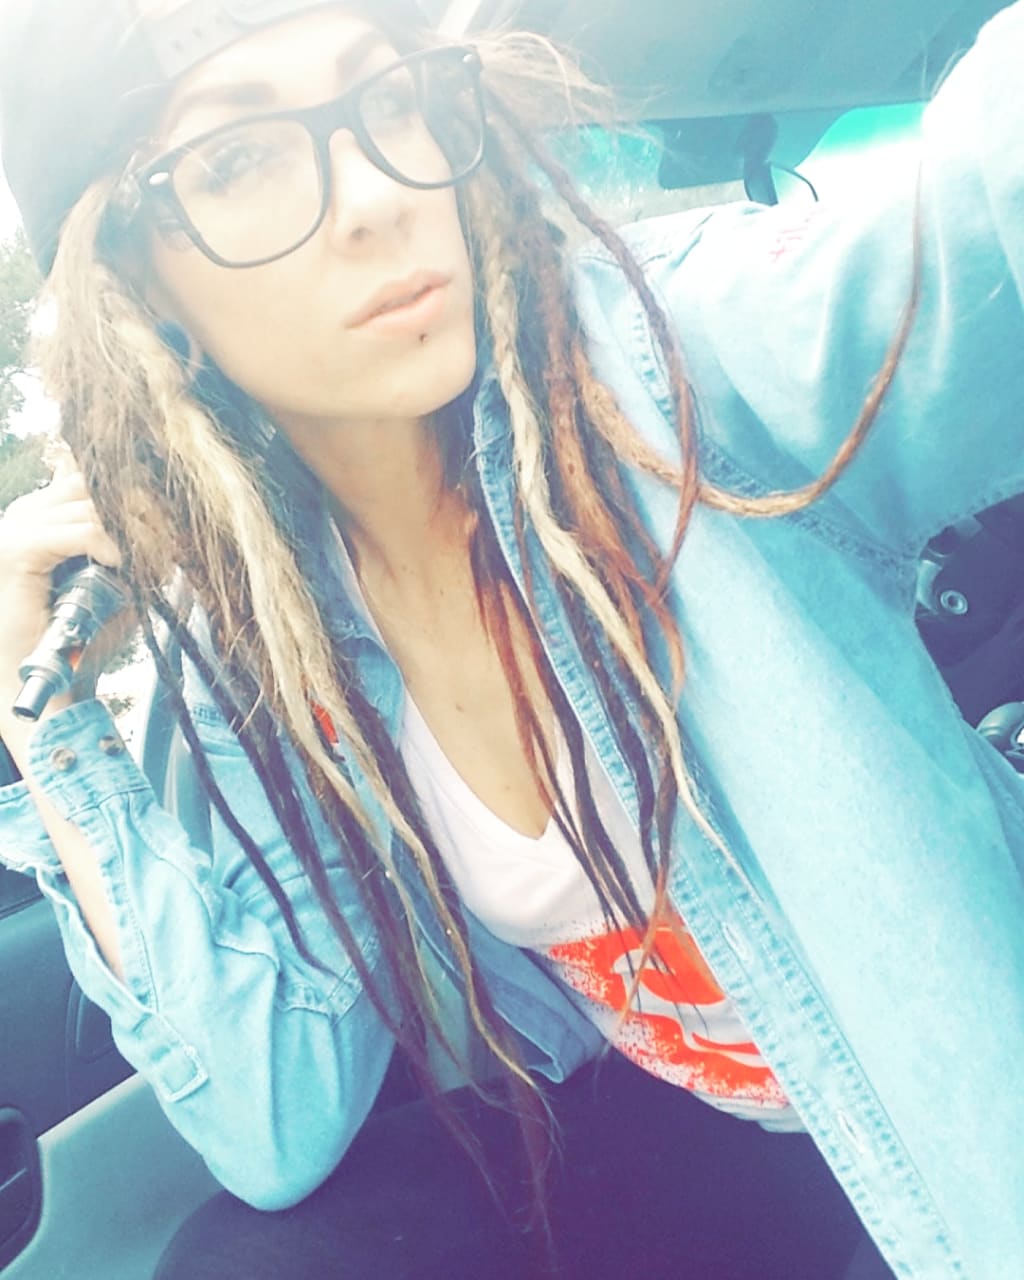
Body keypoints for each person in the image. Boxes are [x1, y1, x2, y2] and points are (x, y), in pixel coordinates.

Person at [0, 0, 1021, 1275]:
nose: (379, 192)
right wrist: (48, 721)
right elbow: (274, 1129)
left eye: (388, 100)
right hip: (728, 1145)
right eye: (238, 158)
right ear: (140, 294)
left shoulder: (666, 371)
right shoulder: (274, 648)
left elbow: (977, 199)